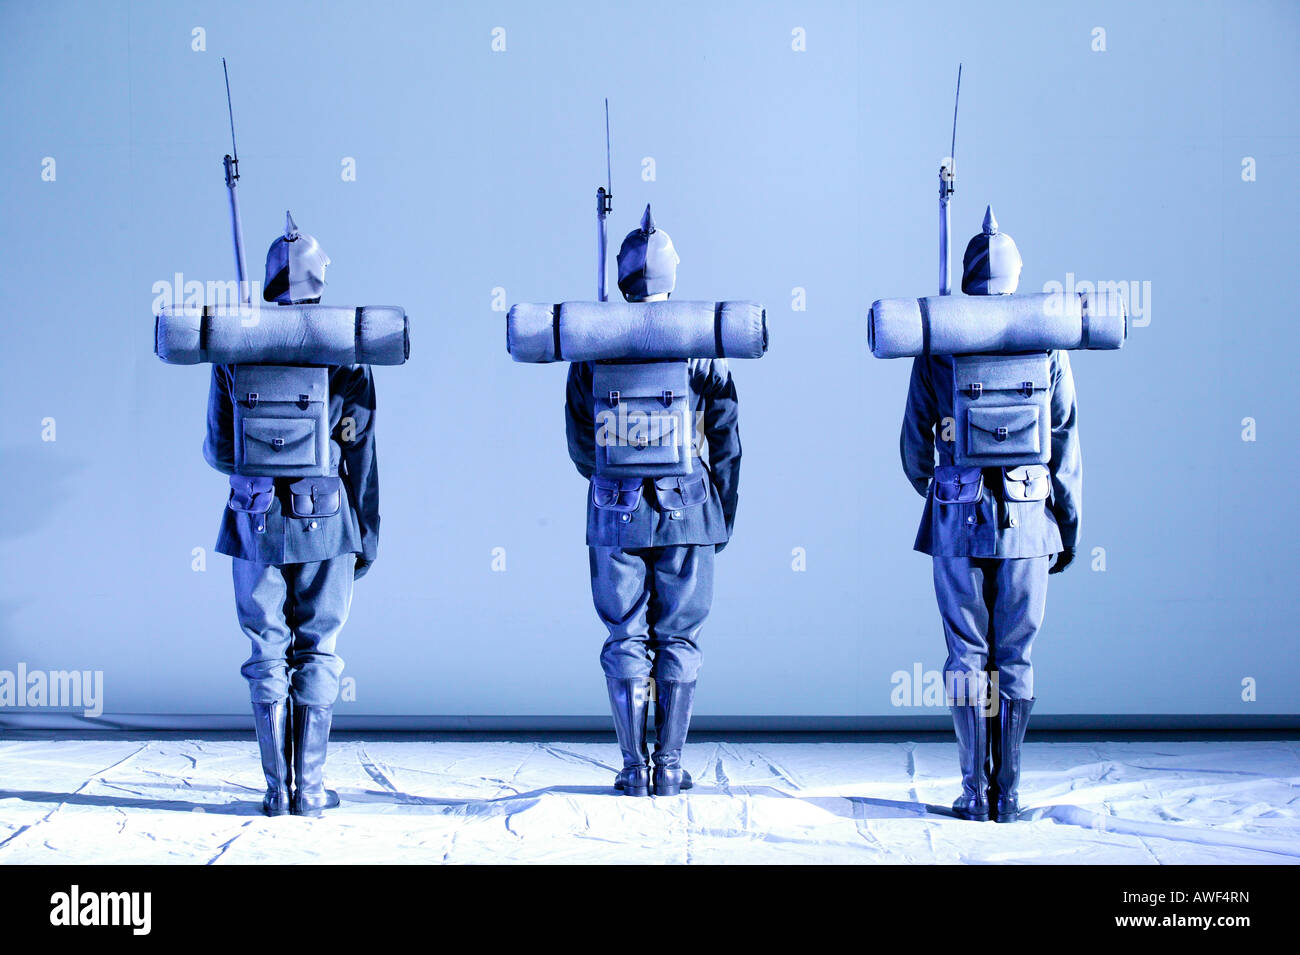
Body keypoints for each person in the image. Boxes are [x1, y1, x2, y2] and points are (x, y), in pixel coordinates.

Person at [899, 207, 1081, 822]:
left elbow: (911, 447)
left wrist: (945, 484)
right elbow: (1065, 438)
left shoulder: (939, 342)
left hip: (956, 516)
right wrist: (1068, 525)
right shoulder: (1047, 338)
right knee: (1019, 655)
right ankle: (1010, 793)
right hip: (1031, 519)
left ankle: (973, 791)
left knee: (965, 655)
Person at [203, 212, 379, 816]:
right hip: (327, 521)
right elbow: (362, 450)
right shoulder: (348, 352)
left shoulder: (233, 351)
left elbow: (219, 451)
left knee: (265, 649)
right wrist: (368, 534)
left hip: (253, 523)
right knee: (319, 648)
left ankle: (277, 789)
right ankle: (310, 789)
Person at [565, 205, 741, 797]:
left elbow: (579, 440)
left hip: (612, 511)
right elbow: (727, 434)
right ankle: (668, 766)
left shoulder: (590, 342)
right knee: (680, 639)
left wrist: (613, 479)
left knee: (623, 637)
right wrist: (721, 513)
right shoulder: (702, 340)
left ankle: (632, 767)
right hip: (688, 508)